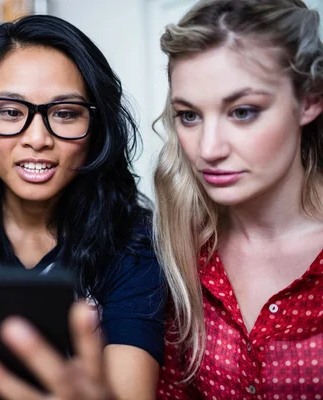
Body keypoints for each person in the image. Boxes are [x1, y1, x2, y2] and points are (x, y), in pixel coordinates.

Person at [0, 14, 166, 400]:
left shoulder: (135, 242)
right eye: (10, 111)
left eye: (65, 113)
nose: (38, 138)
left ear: (97, 127)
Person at [152, 0, 323, 398]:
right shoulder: (182, 252)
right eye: (189, 116)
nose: (208, 149)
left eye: (242, 111)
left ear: (310, 100)